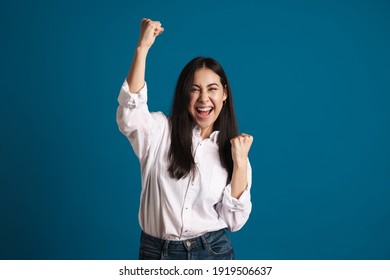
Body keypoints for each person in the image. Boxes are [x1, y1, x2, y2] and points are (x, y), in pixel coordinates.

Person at [116, 18, 254, 260]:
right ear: (184, 93)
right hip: (155, 253)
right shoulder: (159, 131)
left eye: (212, 89)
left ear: (224, 94)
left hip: (212, 252)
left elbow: (234, 220)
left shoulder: (233, 151)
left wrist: (240, 163)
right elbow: (130, 111)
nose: (203, 99)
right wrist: (142, 48)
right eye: (194, 89)